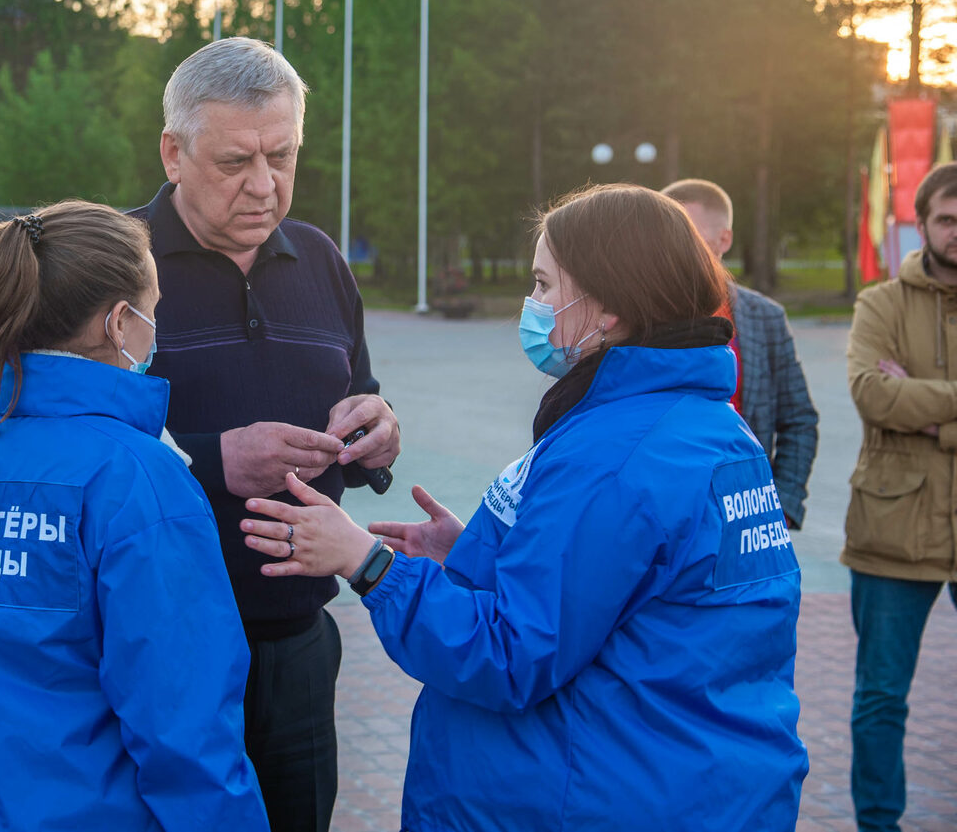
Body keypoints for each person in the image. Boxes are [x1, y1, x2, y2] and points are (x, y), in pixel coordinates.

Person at [240, 183, 807, 831]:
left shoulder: (616, 454)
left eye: (544, 284)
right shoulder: (713, 429)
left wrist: (367, 564)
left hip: (597, 792)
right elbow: (631, 595)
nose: (531, 306)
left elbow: (511, 655)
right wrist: (478, 552)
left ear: (608, 308)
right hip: (693, 780)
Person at [0, 200, 267, 832]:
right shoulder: (140, 479)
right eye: (155, 307)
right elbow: (186, 730)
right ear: (120, 322)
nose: (155, 326)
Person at [129, 37, 400, 832]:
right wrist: (214, 461)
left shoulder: (318, 258)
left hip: (297, 641)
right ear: (173, 153)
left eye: (281, 156)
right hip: (159, 641)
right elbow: (67, 440)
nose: (263, 184)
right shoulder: (110, 262)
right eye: (235, 160)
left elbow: (361, 390)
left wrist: (378, 430)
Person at [843, 161, 957, 832]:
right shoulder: (879, 303)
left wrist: (926, 410)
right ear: (923, 223)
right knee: (882, 696)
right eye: (947, 217)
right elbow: (872, 394)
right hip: (893, 524)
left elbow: (898, 400)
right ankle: (877, 823)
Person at [663, 178, 820, 529]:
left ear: (725, 240)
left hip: (745, 514)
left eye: (692, 241)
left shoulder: (765, 318)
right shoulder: (632, 316)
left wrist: (783, 506)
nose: (677, 255)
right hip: (661, 514)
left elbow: (798, 419)